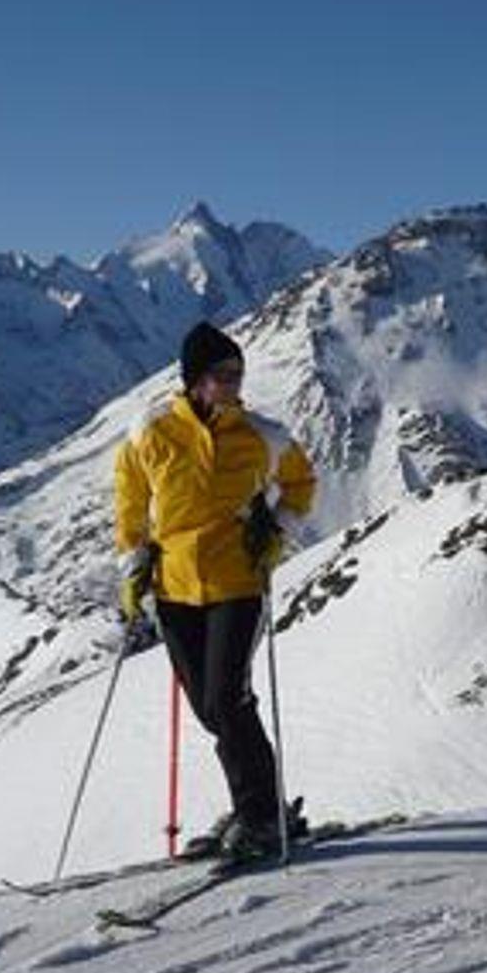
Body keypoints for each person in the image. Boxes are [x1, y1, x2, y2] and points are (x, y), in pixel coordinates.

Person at [114, 322, 316, 861]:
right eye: (224, 375)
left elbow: (301, 483)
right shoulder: (150, 430)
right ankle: (257, 808)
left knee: (228, 698)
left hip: (238, 582)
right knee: (211, 710)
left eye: (237, 374)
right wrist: (133, 564)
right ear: (195, 380)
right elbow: (130, 499)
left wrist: (277, 533)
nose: (234, 384)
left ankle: (261, 817)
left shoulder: (262, 435)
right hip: (175, 588)